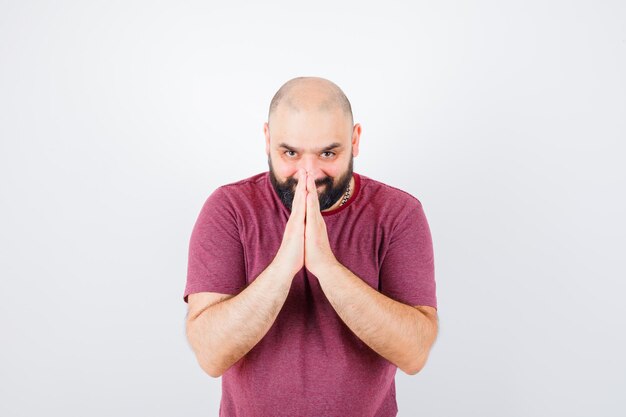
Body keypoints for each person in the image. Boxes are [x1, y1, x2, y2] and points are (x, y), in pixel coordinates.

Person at [183, 76, 439, 417]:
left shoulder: (398, 214)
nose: (309, 172)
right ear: (267, 140)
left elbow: (414, 353)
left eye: (328, 153)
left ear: (355, 140)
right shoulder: (229, 209)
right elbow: (211, 355)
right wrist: (284, 264)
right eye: (290, 152)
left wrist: (326, 266)